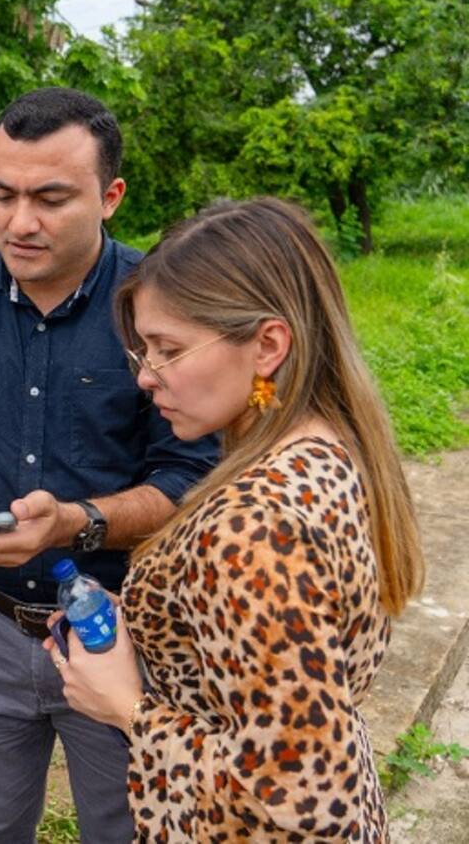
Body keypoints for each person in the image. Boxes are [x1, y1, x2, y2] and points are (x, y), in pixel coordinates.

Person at [0, 87, 218, 843]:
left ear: (110, 195)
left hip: (123, 628)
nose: (20, 223)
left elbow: (189, 482)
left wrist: (75, 526)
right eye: (2, 194)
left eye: (51, 198)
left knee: (129, 830)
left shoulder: (162, 305)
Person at [43, 196, 424, 840]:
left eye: (168, 348)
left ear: (268, 344)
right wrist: (155, 617)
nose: (146, 377)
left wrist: (129, 709)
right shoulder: (328, 448)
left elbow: (295, 808)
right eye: (144, 350)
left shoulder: (254, 524)